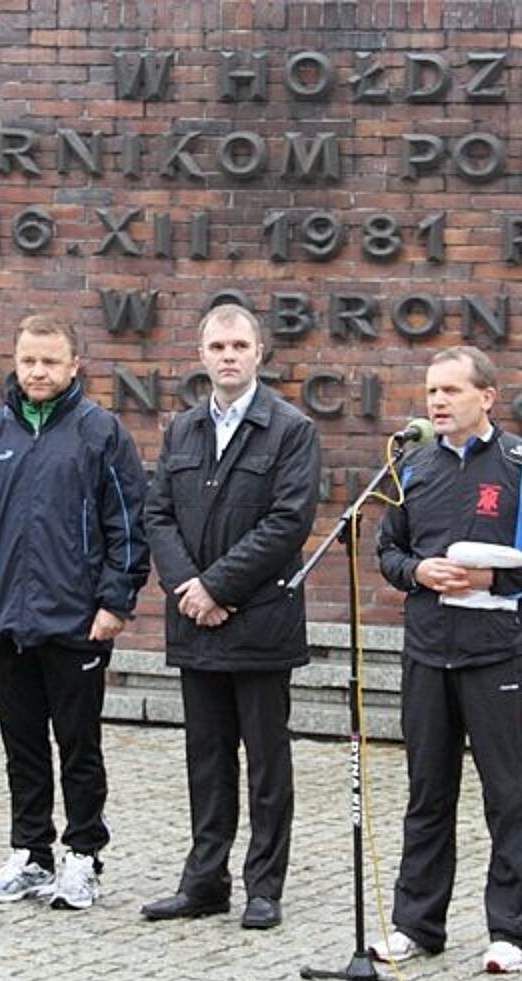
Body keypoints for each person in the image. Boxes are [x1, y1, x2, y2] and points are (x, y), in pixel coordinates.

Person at [373, 345, 522, 974]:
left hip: (496, 655)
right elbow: (387, 551)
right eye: (431, 391)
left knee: (508, 796)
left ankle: (512, 931)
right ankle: (416, 924)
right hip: (426, 652)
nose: (437, 402)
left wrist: (497, 580)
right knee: (426, 793)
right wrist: (417, 572)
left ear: (486, 397)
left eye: (451, 391)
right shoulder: (410, 466)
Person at [0, 313, 150, 911]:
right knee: (22, 746)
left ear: (74, 365)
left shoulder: (101, 433)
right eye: (28, 360)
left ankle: (83, 855)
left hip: (77, 621)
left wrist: (115, 602)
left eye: (50, 361)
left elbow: (127, 524)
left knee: (78, 746)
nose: (38, 371)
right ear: (15, 361)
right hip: (7, 619)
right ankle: (31, 853)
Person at [140, 302, 322, 931]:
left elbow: (288, 522)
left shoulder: (291, 429)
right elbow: (158, 514)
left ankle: (263, 887)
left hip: (260, 621)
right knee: (207, 758)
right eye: (218, 347)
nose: (228, 357)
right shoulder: (182, 430)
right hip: (195, 621)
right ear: (201, 355)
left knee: (267, 762)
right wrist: (188, 588)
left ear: (259, 353)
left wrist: (216, 586)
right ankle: (204, 881)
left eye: (239, 346)